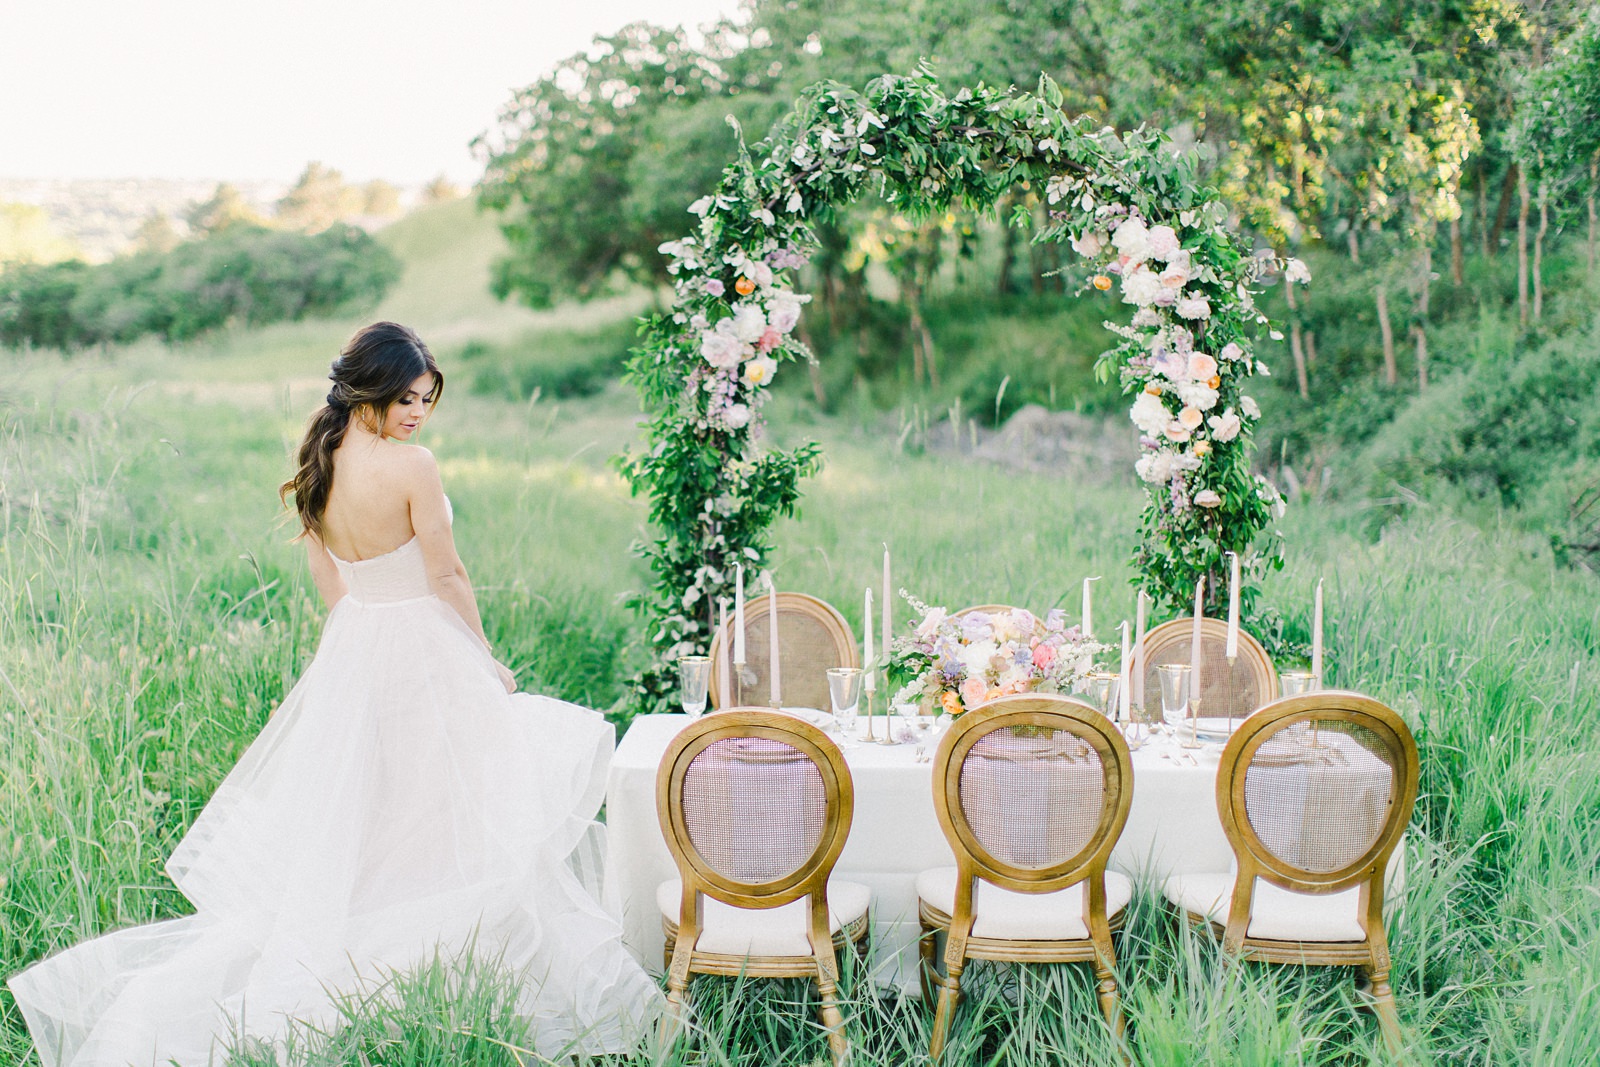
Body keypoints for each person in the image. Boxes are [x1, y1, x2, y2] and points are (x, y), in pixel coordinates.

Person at [7, 322, 659, 1065]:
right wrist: (483, 660)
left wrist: (364, 650)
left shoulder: (319, 460)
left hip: (357, 646)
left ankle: (398, 954)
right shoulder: (413, 466)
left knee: (379, 820)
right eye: (405, 397)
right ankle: (430, 960)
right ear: (368, 390)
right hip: (422, 646)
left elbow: (333, 590)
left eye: (424, 399)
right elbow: (448, 575)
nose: (417, 412)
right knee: (452, 812)